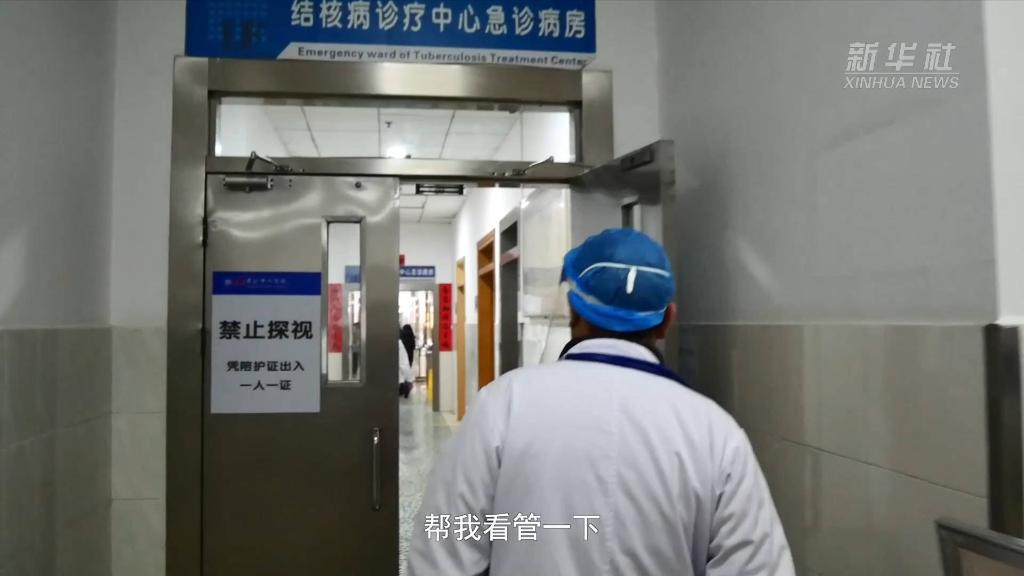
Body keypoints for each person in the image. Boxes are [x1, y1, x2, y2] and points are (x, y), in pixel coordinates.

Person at [409, 228, 794, 576]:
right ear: (667, 321)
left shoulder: (503, 404)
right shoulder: (716, 433)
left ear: (573, 310)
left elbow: (440, 556)